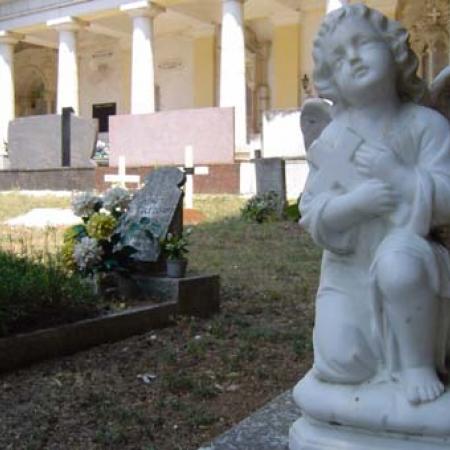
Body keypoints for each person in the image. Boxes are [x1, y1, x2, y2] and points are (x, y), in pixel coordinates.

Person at [300, 3, 450, 405]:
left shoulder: (425, 126)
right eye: (338, 57)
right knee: (342, 363)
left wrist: (398, 175)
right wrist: (356, 205)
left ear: (393, 50)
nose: (352, 58)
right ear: (330, 78)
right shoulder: (333, 139)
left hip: (409, 253)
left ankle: (416, 364)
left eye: (362, 43)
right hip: (347, 271)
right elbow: (311, 211)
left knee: (399, 266)